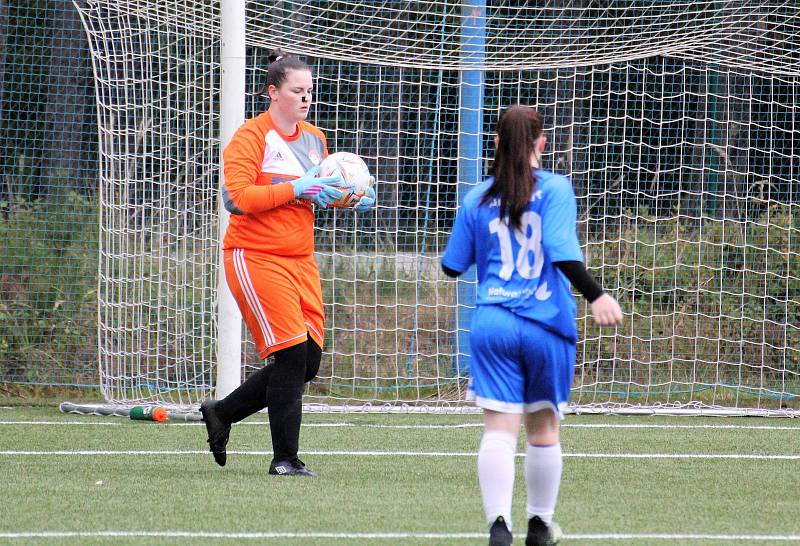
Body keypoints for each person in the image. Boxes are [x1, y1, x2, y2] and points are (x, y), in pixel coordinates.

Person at [441, 105, 622, 546]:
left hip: (494, 324)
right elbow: (561, 250)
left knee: (499, 429)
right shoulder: (557, 189)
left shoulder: (477, 197)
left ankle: (498, 528)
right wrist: (596, 294)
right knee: (542, 428)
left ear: (497, 143)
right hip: (546, 324)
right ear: (541, 144)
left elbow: (451, 267)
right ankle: (539, 525)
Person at [200, 50, 376, 477]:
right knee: (292, 355)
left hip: (300, 260)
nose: (306, 98)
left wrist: (348, 197)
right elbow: (238, 199)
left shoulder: (315, 138)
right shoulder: (250, 137)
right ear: (273, 92)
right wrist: (297, 185)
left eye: (309, 91)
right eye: (297, 90)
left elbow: (314, 195)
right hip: (254, 255)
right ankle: (285, 460)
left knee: (309, 360)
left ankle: (222, 412)